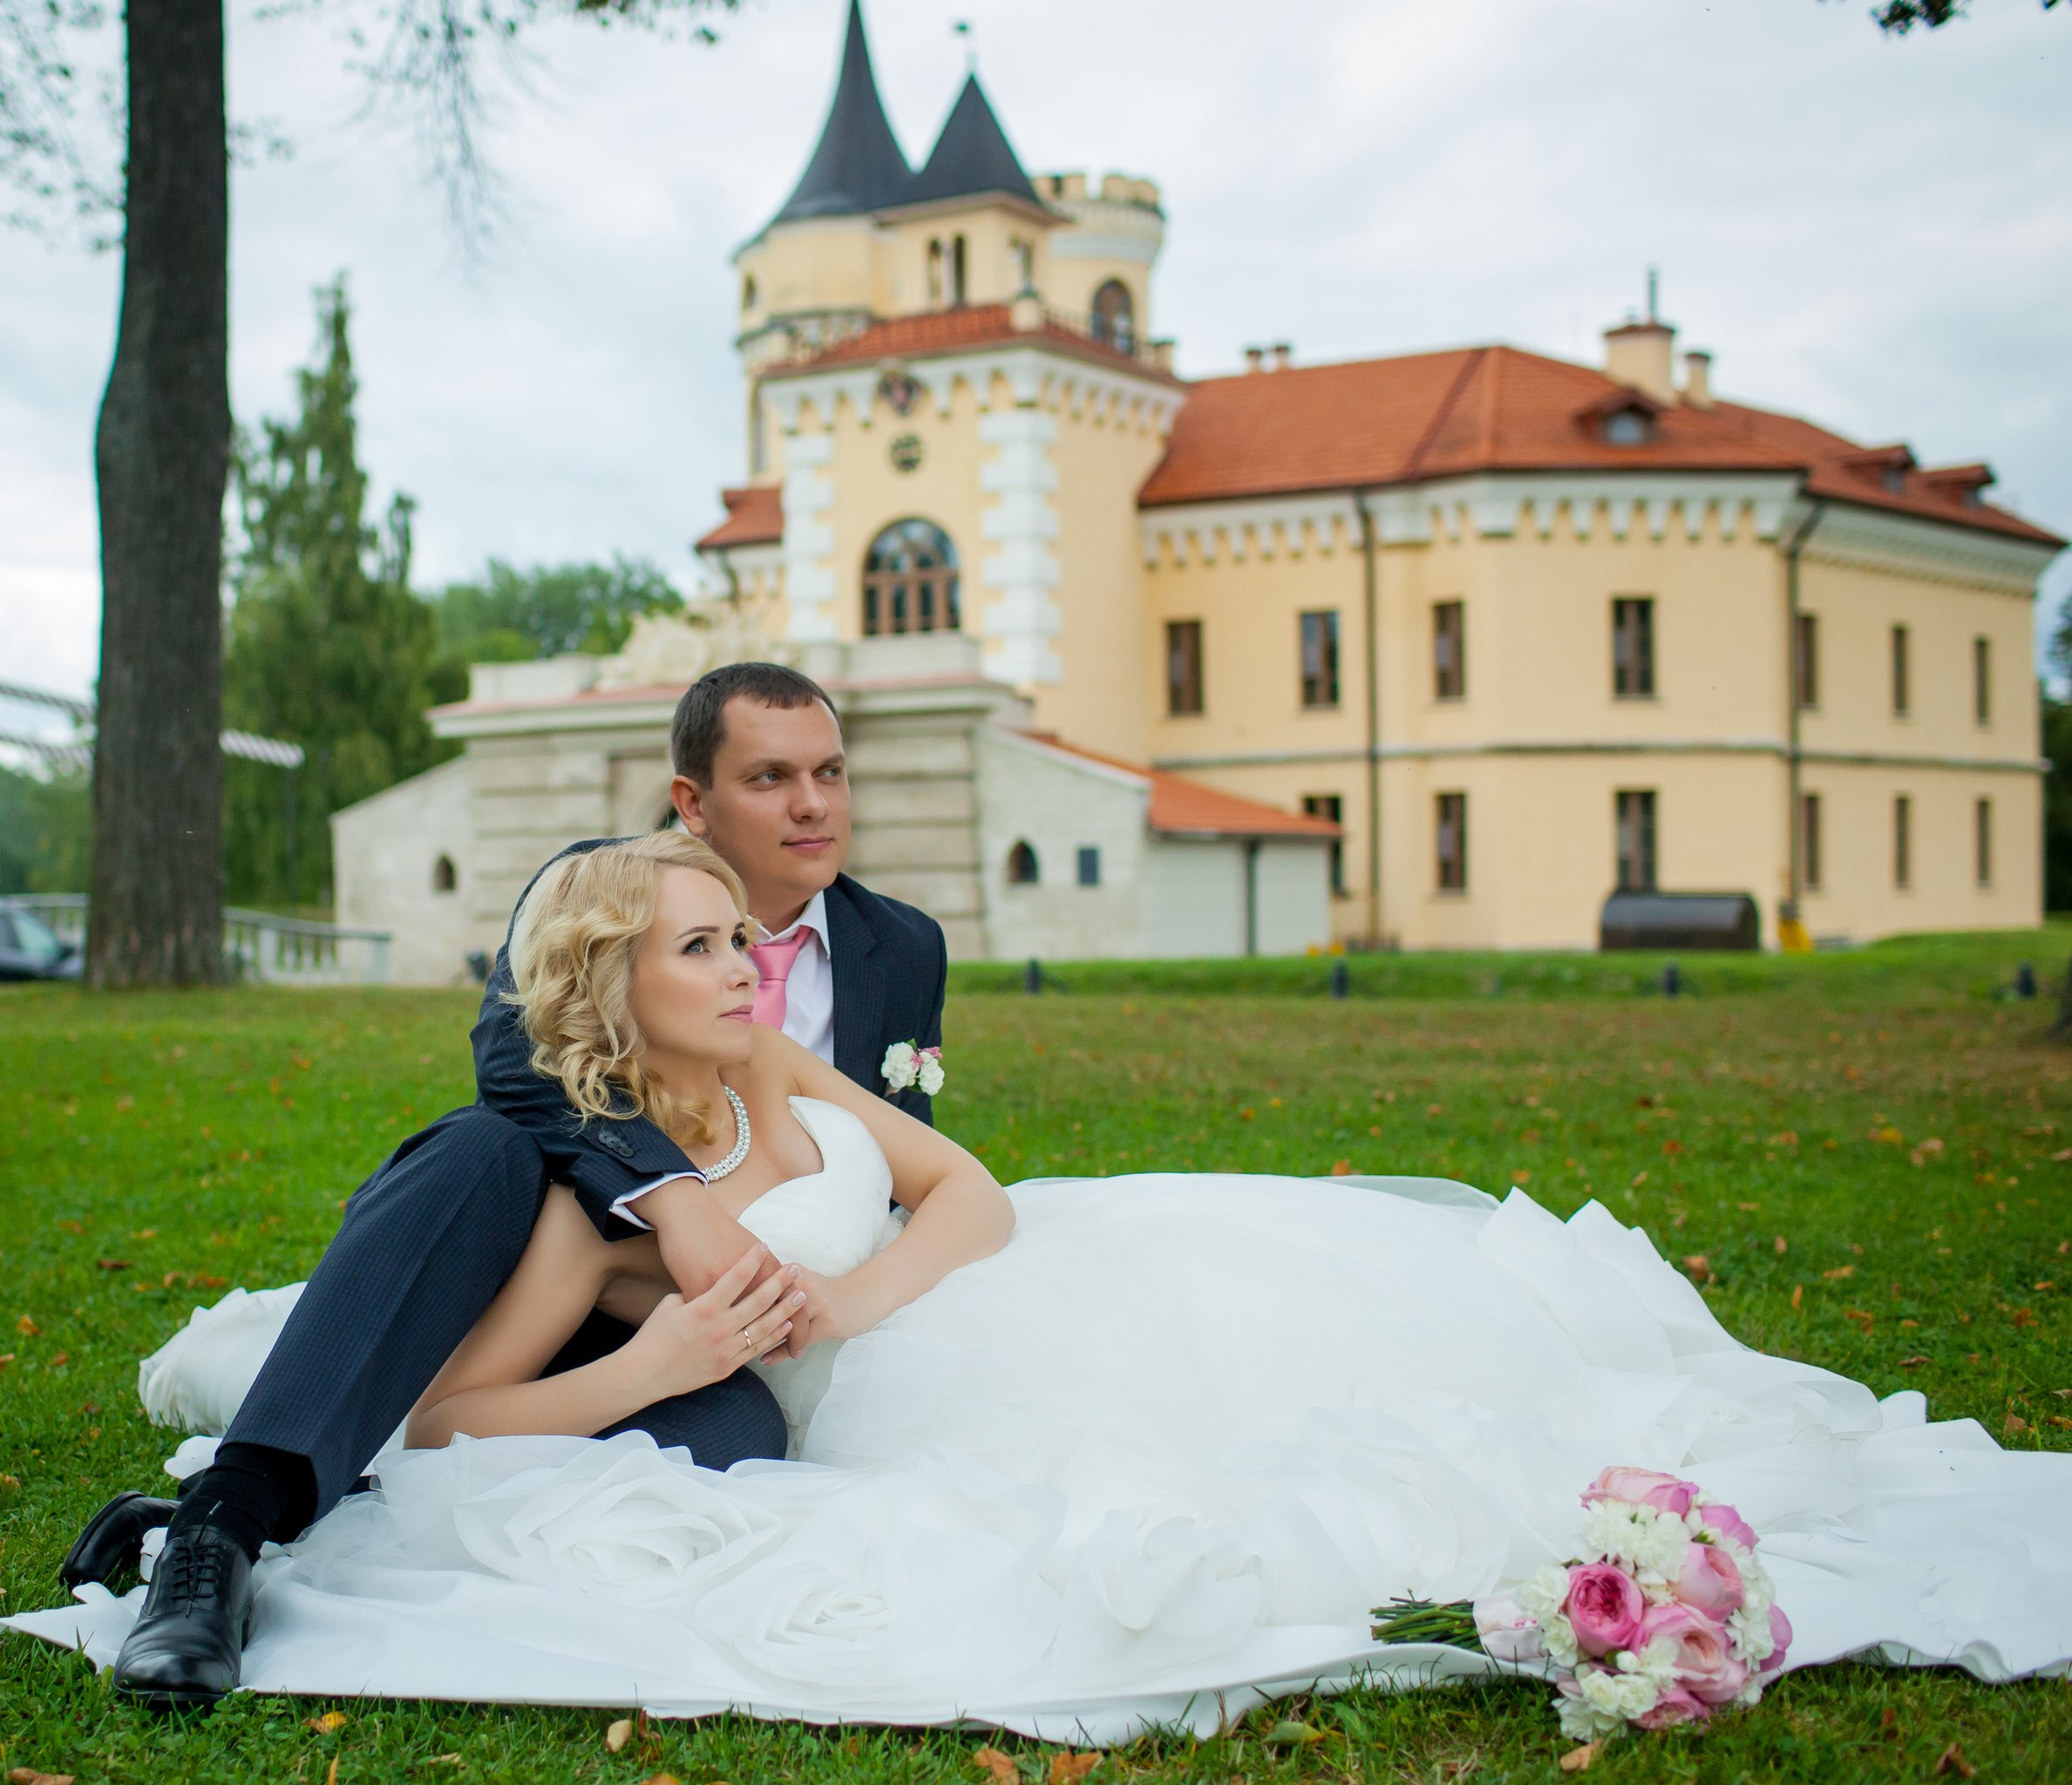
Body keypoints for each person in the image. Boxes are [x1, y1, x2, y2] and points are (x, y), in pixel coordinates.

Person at [92, 662, 948, 1707]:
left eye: (829, 771)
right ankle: (221, 1522)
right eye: (769, 776)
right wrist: (674, 1201)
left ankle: (350, 1490)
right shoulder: (595, 890)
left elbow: (911, 1148)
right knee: (481, 1144)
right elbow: (517, 1058)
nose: (812, 803)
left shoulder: (900, 944)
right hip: (541, 1253)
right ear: (693, 800)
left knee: (734, 1445)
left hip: (738, 1326)